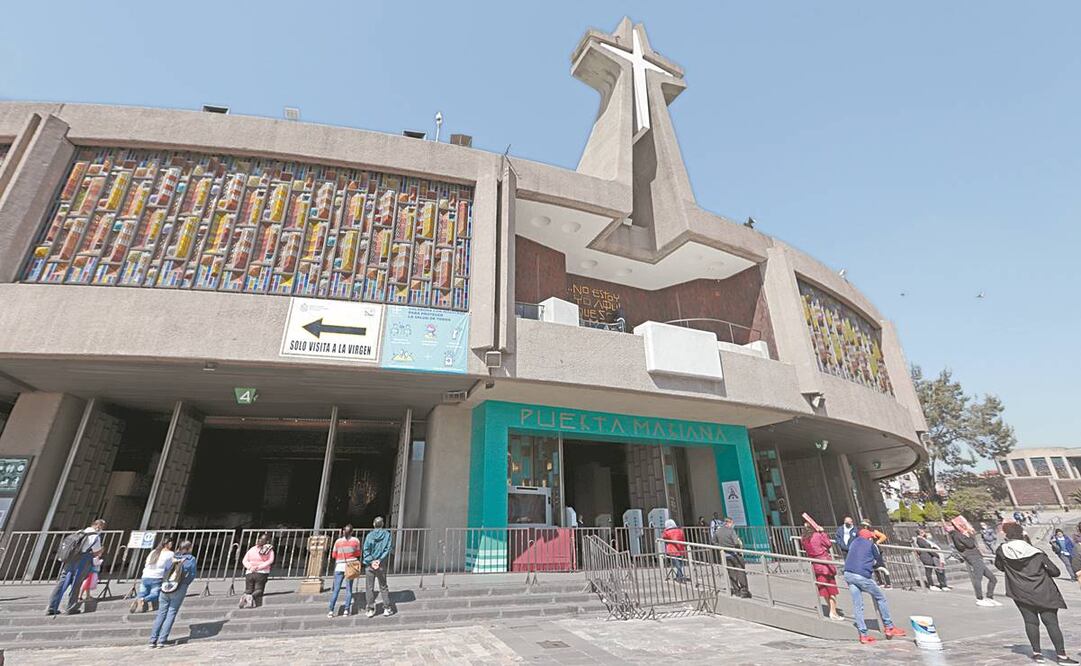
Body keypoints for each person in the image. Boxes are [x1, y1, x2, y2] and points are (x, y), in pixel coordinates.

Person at [995, 522, 1079, 664]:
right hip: (1043, 591)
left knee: (1030, 622)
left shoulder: (1002, 551)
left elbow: (1000, 567)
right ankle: (1061, 656)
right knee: (1052, 623)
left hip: (1020, 592)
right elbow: (1055, 571)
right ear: (1022, 534)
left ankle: (1037, 654)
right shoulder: (1035, 552)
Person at [843, 525, 906, 644]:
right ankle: (889, 627)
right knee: (880, 597)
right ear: (870, 538)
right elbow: (878, 559)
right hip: (861, 575)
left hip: (848, 573)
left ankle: (863, 635)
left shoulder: (853, 543)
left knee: (858, 604)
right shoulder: (871, 545)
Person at [47, 518, 106, 615]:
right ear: (98, 526)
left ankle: (52, 607)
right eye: (101, 527)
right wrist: (101, 550)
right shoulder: (95, 537)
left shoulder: (79, 532)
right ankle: (71, 607)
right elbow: (96, 552)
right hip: (83, 560)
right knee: (76, 583)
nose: (101, 529)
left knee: (62, 582)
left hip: (70, 560)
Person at [148, 540, 197, 648]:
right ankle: (162, 640)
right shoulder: (190, 559)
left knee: (161, 613)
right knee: (171, 613)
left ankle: (153, 639)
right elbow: (192, 574)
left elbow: (165, 570)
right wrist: (184, 584)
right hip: (179, 587)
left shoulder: (171, 557)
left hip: (166, 587)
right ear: (189, 548)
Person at [950, 520, 1000, 607]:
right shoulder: (958, 535)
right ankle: (979, 598)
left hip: (976, 556)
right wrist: (970, 535)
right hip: (973, 557)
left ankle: (989, 597)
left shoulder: (959, 535)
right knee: (978, 578)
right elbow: (970, 544)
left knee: (993, 578)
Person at [801, 522, 842, 620]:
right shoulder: (817, 535)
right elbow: (828, 544)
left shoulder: (804, 539)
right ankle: (833, 611)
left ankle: (831, 609)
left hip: (815, 564)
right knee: (832, 589)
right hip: (824, 563)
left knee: (824, 589)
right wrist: (822, 532)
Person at [363, 517, 395, 618]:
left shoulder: (369, 535)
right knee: (383, 586)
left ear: (373, 524)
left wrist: (371, 560)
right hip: (381, 564)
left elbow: (366, 549)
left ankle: (370, 609)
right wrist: (379, 560)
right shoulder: (387, 535)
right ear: (383, 524)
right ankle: (386, 608)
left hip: (370, 565)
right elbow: (387, 548)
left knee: (369, 587)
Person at [132, 536, 174, 613]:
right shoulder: (170, 554)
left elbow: (146, 563)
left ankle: (139, 601)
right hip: (157, 577)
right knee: (155, 594)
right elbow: (169, 567)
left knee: (143, 592)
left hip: (145, 575)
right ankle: (142, 600)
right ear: (168, 544)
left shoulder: (153, 552)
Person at [328, 524, 362, 618]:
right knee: (349, 589)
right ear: (352, 531)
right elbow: (358, 553)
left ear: (343, 531)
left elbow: (334, 555)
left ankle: (331, 610)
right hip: (350, 566)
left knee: (336, 589)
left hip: (339, 566)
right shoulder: (356, 541)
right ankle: (346, 610)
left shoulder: (338, 542)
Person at [713, 516, 751, 598]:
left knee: (731, 573)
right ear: (728, 523)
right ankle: (744, 591)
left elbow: (713, 541)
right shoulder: (731, 531)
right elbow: (736, 542)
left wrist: (721, 547)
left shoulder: (718, 531)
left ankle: (736, 590)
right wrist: (738, 549)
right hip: (734, 554)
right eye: (732, 523)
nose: (733, 525)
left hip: (725, 555)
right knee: (740, 571)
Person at [240, 533, 274, 608]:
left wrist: (250, 567)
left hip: (249, 572)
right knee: (259, 589)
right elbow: (270, 560)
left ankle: (244, 597)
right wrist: (259, 567)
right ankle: (250, 597)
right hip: (262, 572)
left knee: (248, 589)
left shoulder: (251, 549)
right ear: (267, 541)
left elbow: (244, 560)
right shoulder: (269, 550)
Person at [859, 520, 892, 589]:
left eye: (863, 526)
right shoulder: (862, 533)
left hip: (877, 551)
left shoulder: (873, 531)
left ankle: (888, 583)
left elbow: (883, 536)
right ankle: (880, 582)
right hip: (870, 552)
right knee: (874, 567)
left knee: (882, 566)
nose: (861, 527)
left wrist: (878, 541)